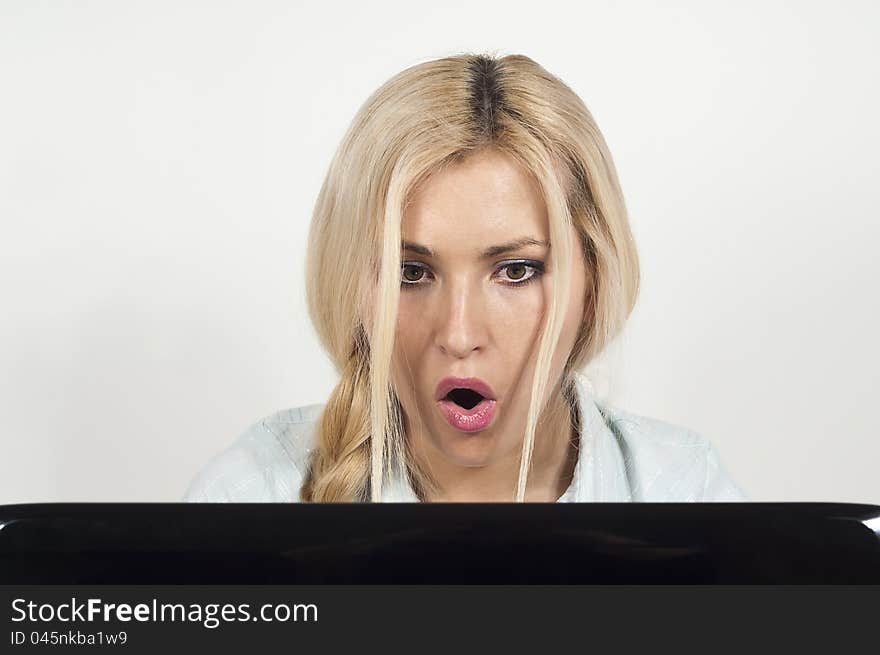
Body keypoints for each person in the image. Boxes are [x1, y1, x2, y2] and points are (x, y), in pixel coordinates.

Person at [184, 52, 746, 504]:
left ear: (594, 281)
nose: (458, 333)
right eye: (411, 272)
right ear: (350, 283)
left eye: (516, 271)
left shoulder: (686, 495)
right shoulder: (252, 496)